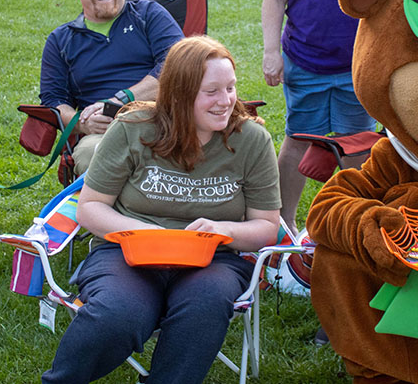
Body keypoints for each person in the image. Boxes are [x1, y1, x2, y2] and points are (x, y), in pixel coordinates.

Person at [40, 36, 281, 383]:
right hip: (127, 250)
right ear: (179, 94)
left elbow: (266, 227)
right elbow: (91, 207)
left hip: (213, 257)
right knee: (118, 314)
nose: (226, 101)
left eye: (231, 88)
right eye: (211, 91)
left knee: (204, 307)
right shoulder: (134, 128)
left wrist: (224, 231)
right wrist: (141, 233)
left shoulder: (251, 140)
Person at [254, 0, 404, 234]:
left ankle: (355, 223)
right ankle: (282, 223)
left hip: (362, 61)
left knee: (357, 142)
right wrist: (270, 51)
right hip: (306, 58)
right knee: (299, 138)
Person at [39, 0, 185, 177]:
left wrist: (121, 100)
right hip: (103, 132)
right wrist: (80, 123)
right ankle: (106, 211)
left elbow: (177, 65)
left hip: (162, 120)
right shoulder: (61, 40)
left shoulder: (149, 14)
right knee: (90, 155)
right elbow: (53, 100)